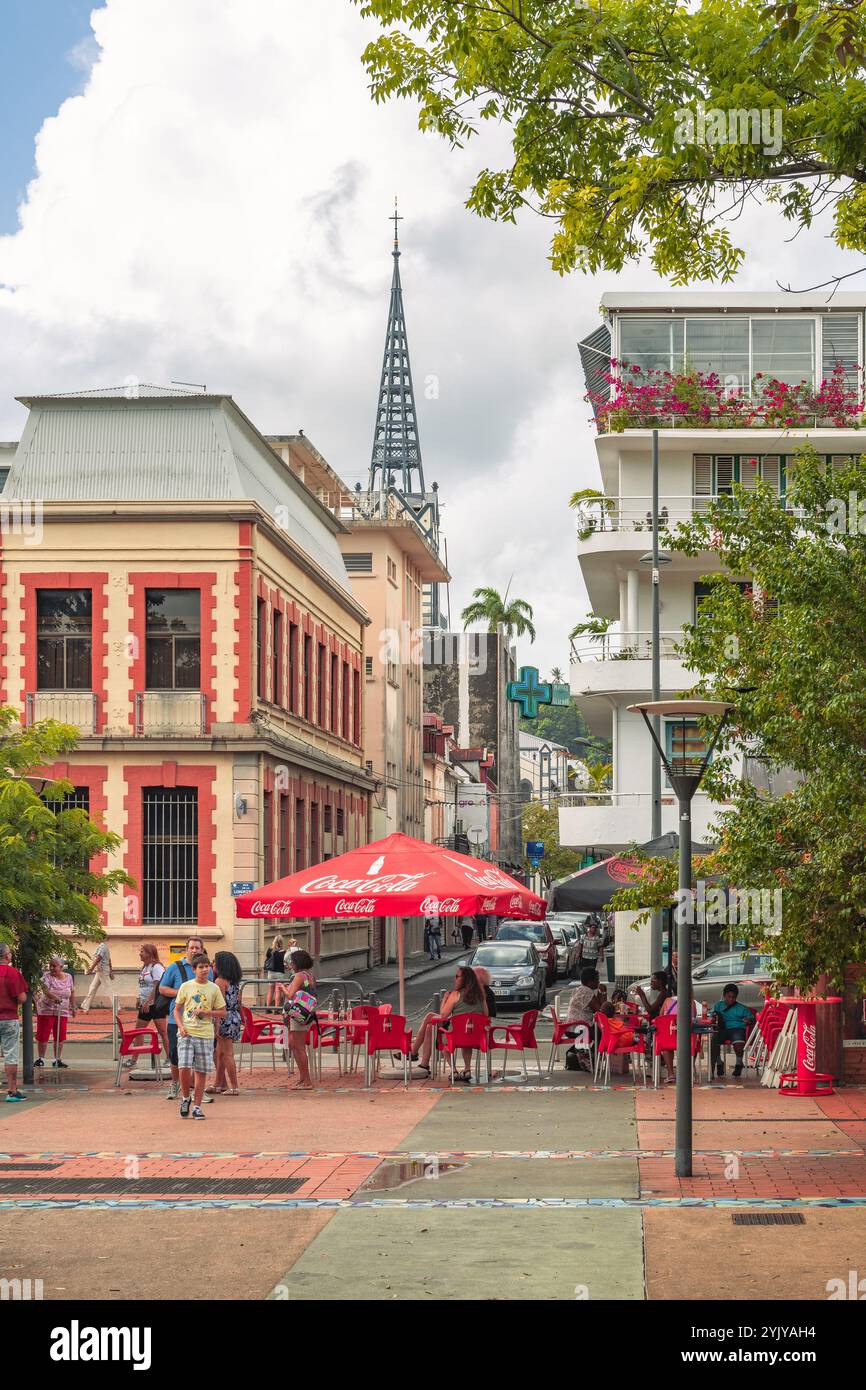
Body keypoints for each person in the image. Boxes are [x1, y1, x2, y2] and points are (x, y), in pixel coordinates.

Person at [159, 936, 212, 1101]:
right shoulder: (175, 968)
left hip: (200, 1022)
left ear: (202, 950)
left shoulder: (206, 970)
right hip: (178, 1021)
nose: (194, 950)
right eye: (192, 948)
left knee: (199, 1058)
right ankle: (175, 1084)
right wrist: (181, 994)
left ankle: (198, 1090)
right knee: (176, 1056)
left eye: (197, 948)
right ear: (186, 949)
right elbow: (162, 988)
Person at [412, 965, 488, 1081]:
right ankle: (467, 1069)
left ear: (464, 979)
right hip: (475, 1036)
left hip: (455, 1036)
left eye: (457, 976)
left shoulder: (455, 995)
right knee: (466, 1041)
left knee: (443, 1041)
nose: (455, 979)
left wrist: (445, 999)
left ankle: (454, 1070)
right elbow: (485, 1014)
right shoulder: (481, 995)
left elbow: (443, 1015)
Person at [174, 953, 226, 1119]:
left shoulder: (214, 988)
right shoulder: (186, 986)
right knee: (184, 1066)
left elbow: (223, 1012)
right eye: (201, 967)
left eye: (207, 966)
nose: (204, 970)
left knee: (201, 1071)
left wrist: (206, 1012)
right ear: (194, 969)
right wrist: (181, 1026)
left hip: (205, 1034)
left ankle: (197, 1106)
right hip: (187, 1032)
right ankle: (185, 1097)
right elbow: (177, 1009)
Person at [279, 949, 318, 1091]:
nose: (291, 965)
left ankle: (306, 1080)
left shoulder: (299, 976)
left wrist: (282, 988)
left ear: (297, 963)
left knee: (299, 1048)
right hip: (305, 1014)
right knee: (295, 1045)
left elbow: (290, 995)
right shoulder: (309, 976)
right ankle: (302, 1078)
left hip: (297, 1015)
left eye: (292, 962)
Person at [209, 951, 243, 1095]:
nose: (213, 965)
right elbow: (239, 1002)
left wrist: (216, 1025)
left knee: (227, 1053)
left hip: (224, 1018)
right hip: (234, 1016)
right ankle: (218, 1084)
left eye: (215, 962)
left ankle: (234, 1086)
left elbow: (219, 1005)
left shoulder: (219, 982)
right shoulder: (235, 982)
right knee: (220, 1053)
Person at [35, 955, 75, 1068]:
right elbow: (46, 991)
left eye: (54, 966)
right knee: (43, 1034)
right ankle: (41, 1058)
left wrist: (73, 1007)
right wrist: (55, 998)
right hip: (46, 1009)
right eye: (50, 966)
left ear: (61, 966)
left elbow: (72, 992)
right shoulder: (45, 977)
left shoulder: (68, 977)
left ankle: (57, 1059)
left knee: (60, 1035)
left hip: (62, 1010)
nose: (51, 968)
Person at [0, 943, 28, 1102]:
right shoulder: (12, 973)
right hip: (8, 1018)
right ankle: (12, 1090)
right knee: (10, 1055)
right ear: (7, 956)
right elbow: (22, 998)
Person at [711, 984, 756, 1078]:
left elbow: (752, 1018)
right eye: (729, 996)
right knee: (714, 1042)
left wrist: (748, 1020)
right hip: (722, 1029)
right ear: (724, 996)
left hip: (737, 1028)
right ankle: (719, 1063)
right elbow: (711, 1016)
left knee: (739, 1045)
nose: (731, 999)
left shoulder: (742, 1008)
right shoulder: (718, 1006)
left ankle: (739, 1064)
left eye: (733, 997)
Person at [136, 943, 168, 1064]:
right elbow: (143, 986)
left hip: (156, 1005)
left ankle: (170, 1058)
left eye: (142, 952)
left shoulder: (156, 967)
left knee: (163, 1032)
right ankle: (134, 1059)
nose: (140, 954)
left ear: (150, 953)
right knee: (138, 1031)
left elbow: (157, 986)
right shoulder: (145, 967)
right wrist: (140, 999)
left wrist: (148, 1001)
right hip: (144, 1005)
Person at [80, 938, 115, 1012]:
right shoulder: (103, 946)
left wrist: (91, 969)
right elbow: (109, 959)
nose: (94, 937)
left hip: (102, 970)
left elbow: (99, 958)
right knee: (92, 987)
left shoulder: (102, 946)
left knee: (108, 988)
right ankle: (85, 1007)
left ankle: (117, 1007)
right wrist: (111, 971)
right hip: (100, 970)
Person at [265, 935, 287, 1008]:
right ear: (281, 942)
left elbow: (267, 958)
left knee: (270, 990)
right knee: (278, 991)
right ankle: (276, 1009)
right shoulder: (284, 952)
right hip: (280, 973)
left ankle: (267, 1008)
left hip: (271, 973)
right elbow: (285, 962)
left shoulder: (269, 950)